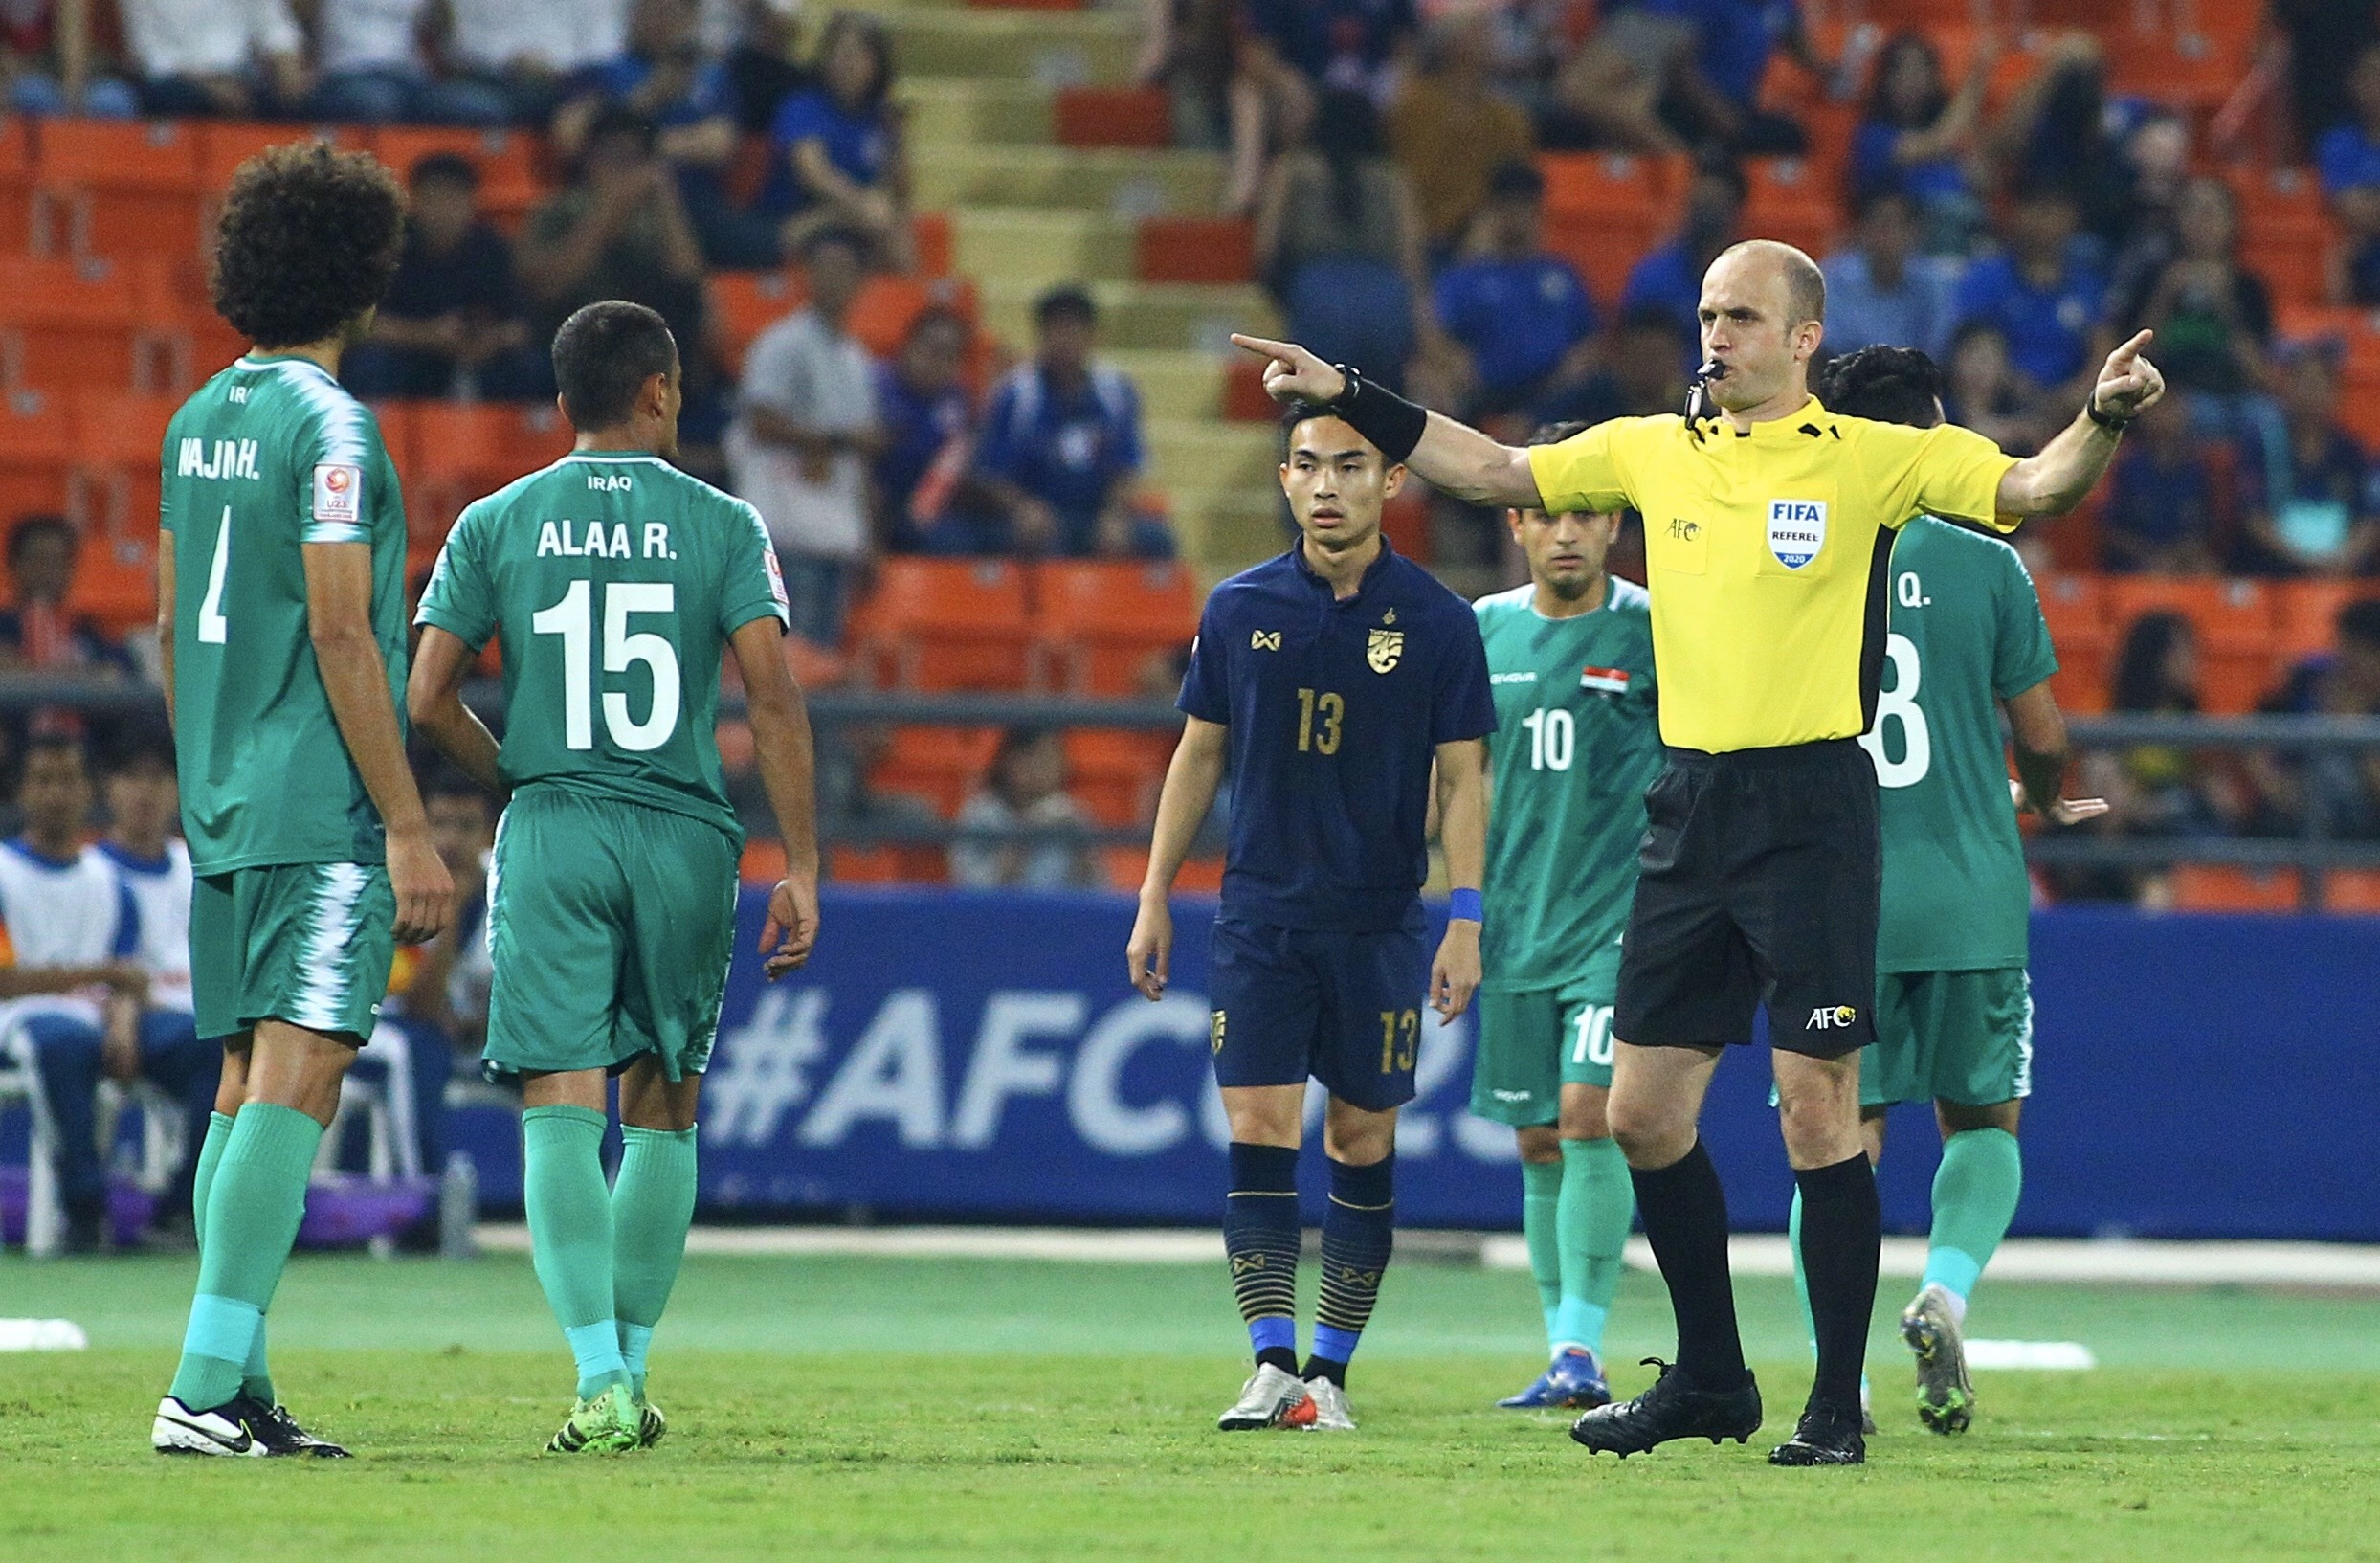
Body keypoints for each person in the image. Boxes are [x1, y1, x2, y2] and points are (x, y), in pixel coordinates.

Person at [1232, 233, 2164, 1465]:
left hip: (1815, 808)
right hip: (1691, 804)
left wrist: (2101, 415)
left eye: (1740, 316)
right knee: (1640, 1112)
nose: (1714, 334)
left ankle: (1836, 1403)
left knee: (1820, 1109)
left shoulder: (1872, 457)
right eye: (1708, 313)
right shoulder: (1652, 448)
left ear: (1803, 339)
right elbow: (1498, 466)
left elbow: (2038, 487)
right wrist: (1352, 393)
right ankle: (1715, 1377)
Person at [409, 299, 821, 1455]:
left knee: (557, 1101)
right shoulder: (726, 522)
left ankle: (597, 1380)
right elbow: (773, 698)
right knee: (664, 1104)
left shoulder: (497, 519)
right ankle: (631, 1370)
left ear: (560, 405)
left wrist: (518, 778)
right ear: (659, 391)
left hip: (556, 825)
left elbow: (425, 694)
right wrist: (805, 862)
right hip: (684, 832)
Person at [152, 144, 452, 1461]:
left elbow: (170, 622)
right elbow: (343, 635)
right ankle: (203, 1386)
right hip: (314, 793)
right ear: (364, 281)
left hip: (222, 790)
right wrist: (403, 819)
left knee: (248, 1083)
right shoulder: (330, 426)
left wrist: (207, 772)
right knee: (303, 1062)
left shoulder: (194, 418)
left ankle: (241, 1388)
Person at [1125, 401, 1495, 1435]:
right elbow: (1198, 752)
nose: (1326, 485)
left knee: (1363, 1138)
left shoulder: (1437, 621)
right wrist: (1157, 892)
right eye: (1306, 466)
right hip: (1259, 916)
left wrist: (1464, 915)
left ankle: (1332, 1370)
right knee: (1258, 1127)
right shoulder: (1239, 607)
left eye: (1349, 465)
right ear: (1284, 481)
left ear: (1392, 483)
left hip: (1379, 922)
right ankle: (1272, 1364)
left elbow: (1464, 779)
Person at [1802, 345, 2105, 1435]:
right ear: (1937, 434)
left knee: (1835, 1137)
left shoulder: (1806, 555)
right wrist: (2046, 794)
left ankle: (1846, 1379)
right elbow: (2045, 736)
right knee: (1985, 1120)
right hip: (1972, 889)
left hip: (1839, 897)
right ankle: (1946, 1288)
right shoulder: (1988, 561)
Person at [1470, 423, 1659, 1413]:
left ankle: (1585, 1346)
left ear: (1616, 523)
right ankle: (1561, 1351)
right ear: (1517, 524)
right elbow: (1455, 783)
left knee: (1592, 1118)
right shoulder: (1483, 630)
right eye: (1547, 513)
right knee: (1539, 1138)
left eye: (1586, 512)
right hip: (1515, 925)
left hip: (1618, 923)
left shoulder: (1657, 628)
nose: (1567, 533)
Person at [6, 732, 169, 1253]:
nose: (57, 793)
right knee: (58, 1041)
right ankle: (83, 1205)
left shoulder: (109, 881)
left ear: (87, 791)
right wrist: (100, 977)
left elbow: (127, 975)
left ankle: (178, 1209)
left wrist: (122, 1021)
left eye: (69, 780)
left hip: (99, 1018)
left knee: (205, 1041)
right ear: (20, 792)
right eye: (43, 780)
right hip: (18, 1019)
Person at [724, 227, 882, 645]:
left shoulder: (856, 358)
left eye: (844, 269)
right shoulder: (782, 343)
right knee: (790, 659)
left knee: (821, 666)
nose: (833, 279)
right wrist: (837, 441)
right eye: (823, 267)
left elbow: (859, 458)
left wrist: (868, 537)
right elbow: (761, 422)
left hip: (834, 534)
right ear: (806, 274)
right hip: (785, 531)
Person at [95, 725, 215, 1245]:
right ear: (108, 788)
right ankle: (182, 1206)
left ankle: (210, 1204)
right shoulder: (93, 870)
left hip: (190, 1016)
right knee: (219, 1048)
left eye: (158, 777)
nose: (145, 791)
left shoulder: (197, 867)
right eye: (130, 777)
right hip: (130, 1019)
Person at [1255, 88, 1432, 394]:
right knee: (1378, 400)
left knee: (1315, 396)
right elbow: (1411, 260)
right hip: (1384, 299)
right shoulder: (1392, 179)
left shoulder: (1291, 171)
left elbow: (1266, 249)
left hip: (1317, 294)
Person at [974, 287, 1172, 560]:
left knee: (1156, 539)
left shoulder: (1116, 391)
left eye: (1073, 331)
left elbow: (1127, 466)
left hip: (1094, 514)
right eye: (1056, 331)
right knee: (1038, 539)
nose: (1065, 341)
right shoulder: (1016, 393)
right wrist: (1022, 508)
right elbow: (991, 473)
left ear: (1092, 336)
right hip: (1037, 512)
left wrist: (1114, 515)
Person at [343, 154, 540, 403]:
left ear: (472, 202)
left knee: (526, 368)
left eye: (454, 199)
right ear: (414, 200)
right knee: (371, 363)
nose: (444, 210)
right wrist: (429, 335)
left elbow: (520, 325)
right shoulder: (390, 246)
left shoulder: (490, 248)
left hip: (476, 357)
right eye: (435, 198)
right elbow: (366, 325)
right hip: (410, 354)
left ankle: (522, 438)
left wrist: (490, 340)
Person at [1429, 161, 1600, 419]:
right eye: (1508, 205)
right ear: (1493, 210)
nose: (1517, 215)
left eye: (1525, 206)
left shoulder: (1562, 276)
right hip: (1485, 398)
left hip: (1552, 399)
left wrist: (1557, 390)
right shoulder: (1465, 278)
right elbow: (1440, 336)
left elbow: (1588, 340)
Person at [760, 11, 907, 266]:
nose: (848, 64)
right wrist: (861, 204)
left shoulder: (878, 117)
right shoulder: (802, 107)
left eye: (859, 54)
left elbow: (900, 191)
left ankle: (910, 298)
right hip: (800, 217)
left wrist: (898, 140)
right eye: (841, 53)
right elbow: (814, 175)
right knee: (843, 249)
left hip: (860, 222)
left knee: (897, 231)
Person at [1387, 15, 1536, 257]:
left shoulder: (1509, 119)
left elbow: (1517, 185)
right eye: (1480, 32)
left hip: (1479, 233)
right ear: (1452, 43)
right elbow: (1401, 175)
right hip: (1418, 226)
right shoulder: (1414, 107)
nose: (1491, 41)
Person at [1953, 179, 2111, 406]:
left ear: (2072, 218)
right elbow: (1969, 347)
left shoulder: (2087, 284)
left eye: (2052, 212)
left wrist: (2076, 396)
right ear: (2016, 215)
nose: (2042, 222)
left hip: (2073, 407)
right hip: (2001, 402)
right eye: (2034, 210)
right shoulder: (1985, 278)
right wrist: (2021, 390)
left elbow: (2103, 348)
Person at [2235, 342, 2380, 577]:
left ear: (2336, 392)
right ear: (2287, 388)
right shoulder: (2262, 445)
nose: (2311, 392)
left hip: (2340, 571)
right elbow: (2254, 517)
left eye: (2320, 384)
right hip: (2278, 569)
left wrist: (2342, 560)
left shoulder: (2353, 451)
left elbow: (2370, 519)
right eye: (2304, 383)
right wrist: (2304, 561)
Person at [1848, 32, 1989, 255]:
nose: (1910, 80)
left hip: (1968, 228)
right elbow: (1936, 142)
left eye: (1919, 71)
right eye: (1901, 71)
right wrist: (1977, 79)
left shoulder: (1952, 133)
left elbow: (1982, 179)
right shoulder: (1875, 135)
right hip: (1911, 238)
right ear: (1885, 80)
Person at [873, 307, 980, 553]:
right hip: (872, 501)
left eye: (950, 356)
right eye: (932, 351)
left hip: (924, 506)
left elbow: (953, 464)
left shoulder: (957, 399)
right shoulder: (876, 386)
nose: (939, 363)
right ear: (908, 347)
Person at [304, 0, 513, 124]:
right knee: (379, 103)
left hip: (412, 80)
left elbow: (446, 35)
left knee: (482, 108)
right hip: (348, 74)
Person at [948, 726, 1100, 890]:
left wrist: (1083, 852)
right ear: (1011, 761)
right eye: (1041, 758)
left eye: (1056, 757)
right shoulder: (980, 814)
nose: (1052, 767)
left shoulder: (1073, 815)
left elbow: (1098, 891)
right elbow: (970, 889)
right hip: (1000, 913)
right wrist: (1023, 839)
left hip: (1058, 914)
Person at [1619, 159, 1745, 350]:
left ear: (1734, 211)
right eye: (1699, 205)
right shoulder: (1654, 275)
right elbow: (1635, 347)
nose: (1705, 217)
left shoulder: (1752, 280)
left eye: (1714, 206)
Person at [1822, 190, 1960, 364]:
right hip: (1848, 381)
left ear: (1915, 234)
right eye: (1881, 225)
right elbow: (1829, 348)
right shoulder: (1836, 279)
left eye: (1898, 226)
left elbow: (1939, 346)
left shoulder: (1934, 284)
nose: (1889, 236)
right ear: (1863, 231)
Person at [116, 0, 305, 117]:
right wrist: (208, 85)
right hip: (175, 81)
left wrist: (287, 65)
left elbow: (274, 27)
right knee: (176, 98)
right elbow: (150, 55)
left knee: (307, 103)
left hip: (243, 77)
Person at [2099, 391, 2218, 574]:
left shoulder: (2197, 469)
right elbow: (2110, 529)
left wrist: (2179, 556)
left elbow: (2203, 528)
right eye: (2159, 410)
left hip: (2184, 558)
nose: (2167, 417)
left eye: (2173, 408)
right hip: (2137, 561)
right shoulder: (2127, 468)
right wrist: (2149, 555)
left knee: (2207, 571)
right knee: (2158, 572)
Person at [0, 514, 134, 676]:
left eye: (58, 561)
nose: (48, 571)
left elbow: (122, 671)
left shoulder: (89, 629)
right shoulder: (4, 625)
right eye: (39, 559)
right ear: (14, 564)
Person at [2317, 43, 2380, 305]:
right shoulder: (2336, 143)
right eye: (2369, 73)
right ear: (2353, 83)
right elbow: (2348, 208)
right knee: (2338, 258)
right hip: (2359, 265)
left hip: (2364, 241)